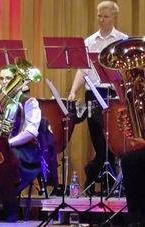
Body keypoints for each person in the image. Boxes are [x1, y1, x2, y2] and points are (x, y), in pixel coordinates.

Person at [67, 1, 128, 196]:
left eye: (106, 16)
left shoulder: (122, 41)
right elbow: (83, 70)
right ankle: (97, 173)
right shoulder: (89, 42)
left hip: (115, 93)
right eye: (99, 16)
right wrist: (73, 91)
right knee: (98, 138)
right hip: (94, 92)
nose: (101, 20)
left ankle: (101, 176)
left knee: (115, 140)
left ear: (114, 18)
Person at [0, 64, 42, 222]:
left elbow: (31, 132)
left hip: (23, 148)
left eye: (9, 78)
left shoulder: (29, 101)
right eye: (2, 78)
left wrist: (8, 143)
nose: (5, 82)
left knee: (2, 160)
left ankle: (9, 206)